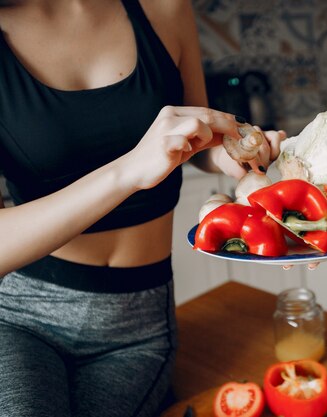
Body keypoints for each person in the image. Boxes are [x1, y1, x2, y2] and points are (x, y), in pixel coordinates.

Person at [0, 0, 284, 416]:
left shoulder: (165, 8)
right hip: (22, 319)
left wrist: (233, 154)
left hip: (138, 331)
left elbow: (199, 140)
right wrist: (129, 170)